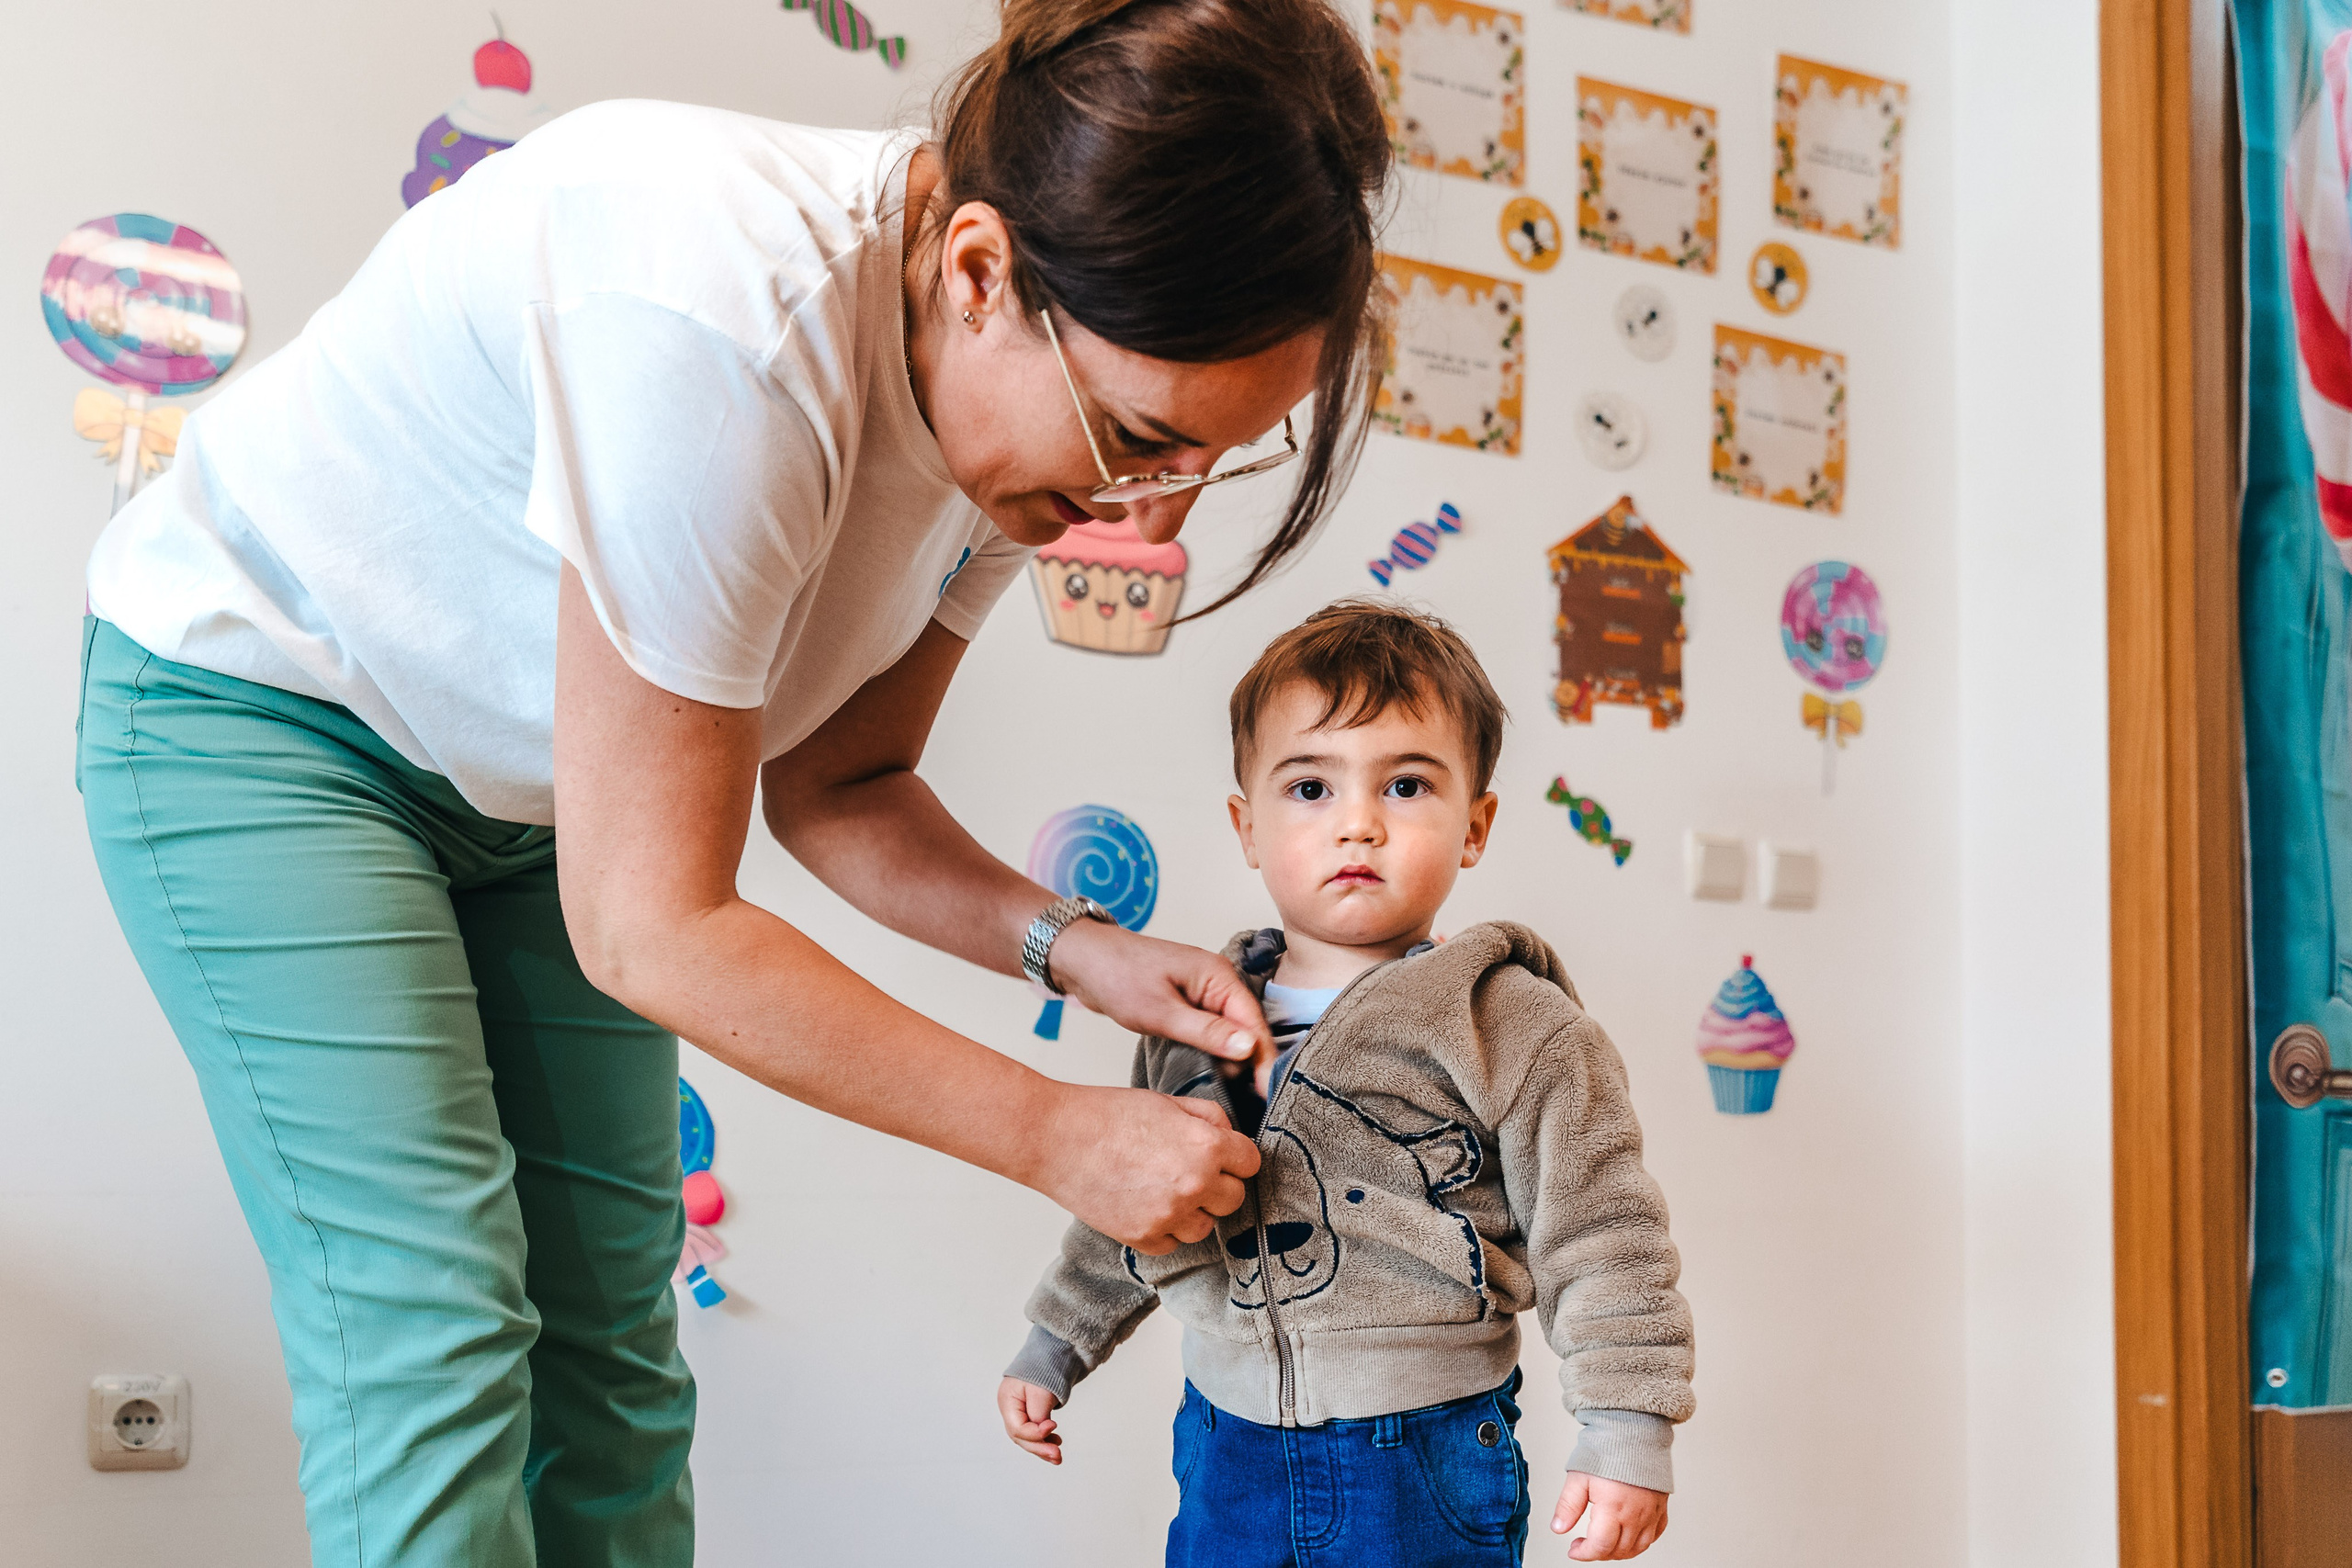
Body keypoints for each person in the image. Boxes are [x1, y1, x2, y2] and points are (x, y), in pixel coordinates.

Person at [72, 2, 1389, 1562]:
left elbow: (843, 779)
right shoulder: (723, 322)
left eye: (1204, 468)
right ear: (981, 271)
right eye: (1145, 439)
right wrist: (1053, 1131)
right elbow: (658, 927)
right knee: (430, 1326)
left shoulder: (1004, 438)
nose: (1151, 526)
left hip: (546, 805)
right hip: (264, 719)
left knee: (611, 1353)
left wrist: (1083, 953)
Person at [994, 602, 1696, 1565]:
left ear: (1474, 826)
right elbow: (1129, 1194)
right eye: (1311, 788)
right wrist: (1056, 1342)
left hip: (1418, 1453)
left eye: (1405, 786)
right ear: (1247, 826)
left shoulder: (1513, 1026)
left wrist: (1627, 1427)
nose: (1358, 823)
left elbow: (1605, 1233)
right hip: (1223, 1443)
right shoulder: (1189, 1016)